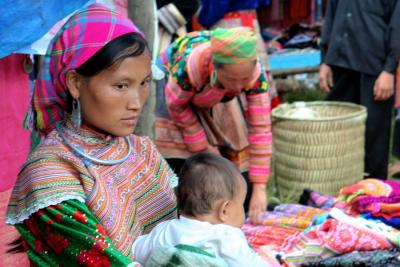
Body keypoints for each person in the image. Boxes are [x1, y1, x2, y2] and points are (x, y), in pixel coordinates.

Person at [6, 4, 177, 266]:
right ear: (75, 83)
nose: (136, 102)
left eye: (143, 83)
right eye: (121, 85)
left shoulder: (140, 151)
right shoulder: (49, 174)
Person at [154, 26, 272, 224]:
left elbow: (260, 128)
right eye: (233, 79)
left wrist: (260, 186)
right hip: (174, 93)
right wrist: (202, 148)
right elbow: (176, 105)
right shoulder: (189, 67)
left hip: (215, 92)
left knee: (238, 171)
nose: (238, 87)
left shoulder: (254, 76)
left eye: (244, 79)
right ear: (216, 68)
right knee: (188, 165)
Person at [132, 152, 271, 267]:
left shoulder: (163, 231)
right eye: (241, 204)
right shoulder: (226, 238)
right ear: (224, 210)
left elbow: (136, 252)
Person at [319, 0, 400, 179]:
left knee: (373, 138)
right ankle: (337, 188)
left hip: (375, 68)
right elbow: (332, 14)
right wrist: (325, 59)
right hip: (340, 63)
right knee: (336, 131)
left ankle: (371, 195)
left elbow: (397, 24)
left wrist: (389, 69)